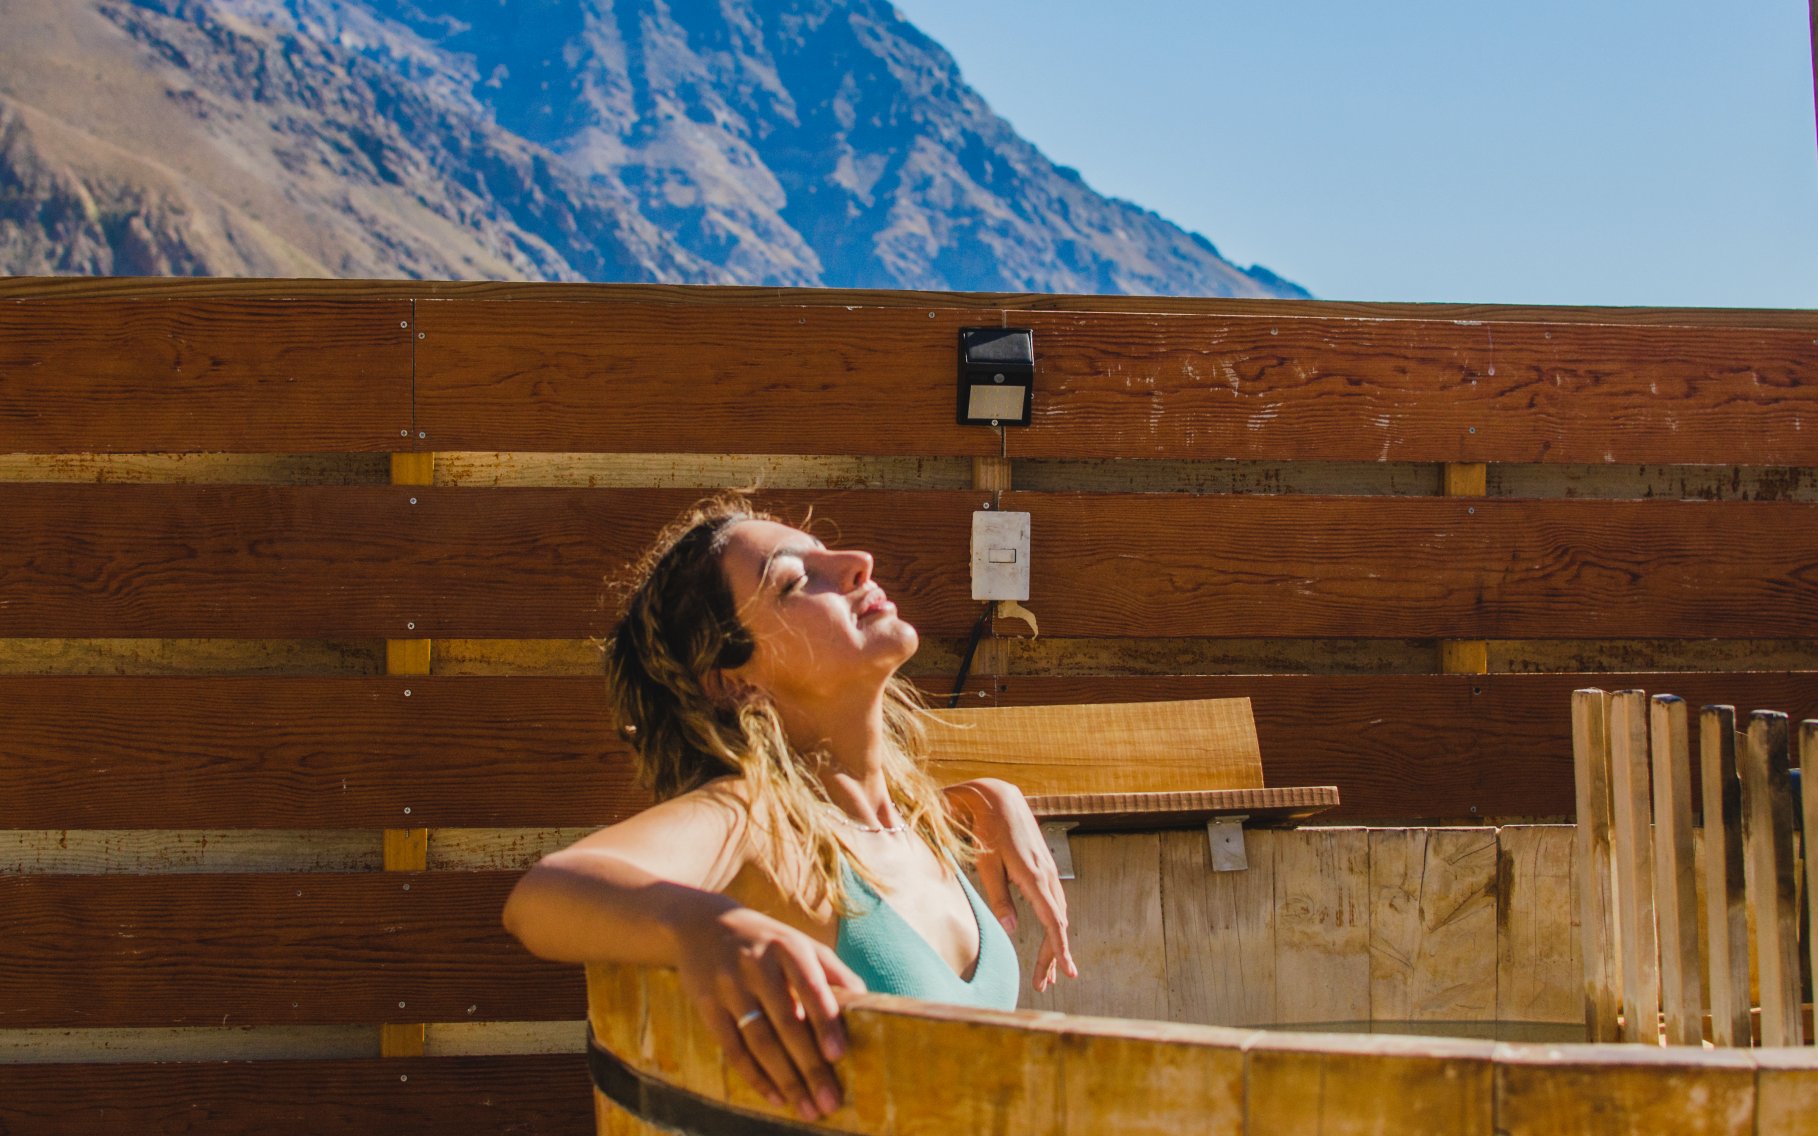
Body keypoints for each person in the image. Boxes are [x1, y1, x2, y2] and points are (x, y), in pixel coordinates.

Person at [502, 495, 1076, 1124]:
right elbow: (541, 894)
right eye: (796, 579)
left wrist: (990, 796)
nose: (859, 562)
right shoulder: (751, 819)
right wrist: (701, 926)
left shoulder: (911, 820)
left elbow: (864, 830)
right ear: (732, 679)